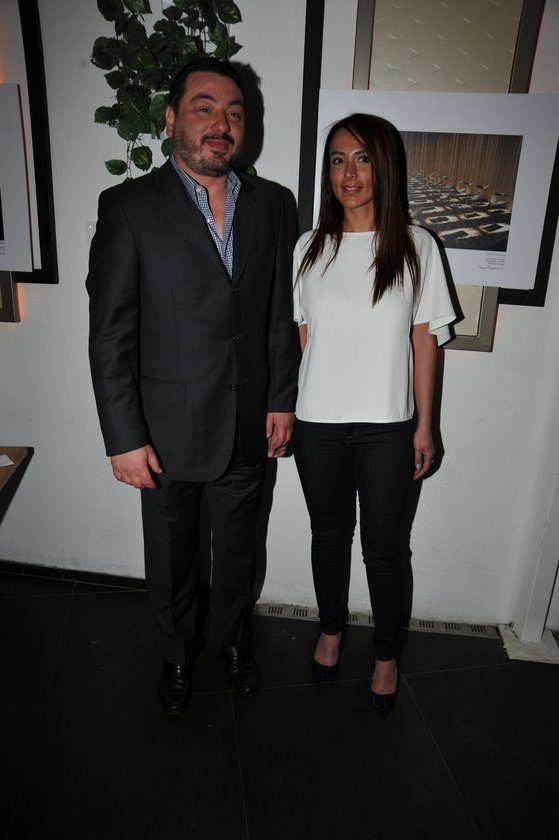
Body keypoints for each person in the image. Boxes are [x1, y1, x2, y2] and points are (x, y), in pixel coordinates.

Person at [86, 57, 300, 714]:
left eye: (234, 112)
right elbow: (111, 333)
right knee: (172, 557)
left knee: (239, 553)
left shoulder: (272, 205)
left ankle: (234, 644)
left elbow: (277, 312)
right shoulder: (129, 207)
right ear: (171, 118)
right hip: (165, 431)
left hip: (247, 425)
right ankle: (177, 654)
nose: (221, 123)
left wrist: (280, 399)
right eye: (204, 107)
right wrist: (123, 438)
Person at [292, 113, 455, 715]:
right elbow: (303, 338)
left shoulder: (416, 246)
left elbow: (424, 341)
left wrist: (425, 424)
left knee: (385, 549)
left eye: (362, 159)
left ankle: (386, 655)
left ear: (384, 167)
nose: (349, 173)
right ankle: (331, 630)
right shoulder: (307, 248)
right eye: (338, 160)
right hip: (317, 426)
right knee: (328, 537)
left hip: (389, 427)